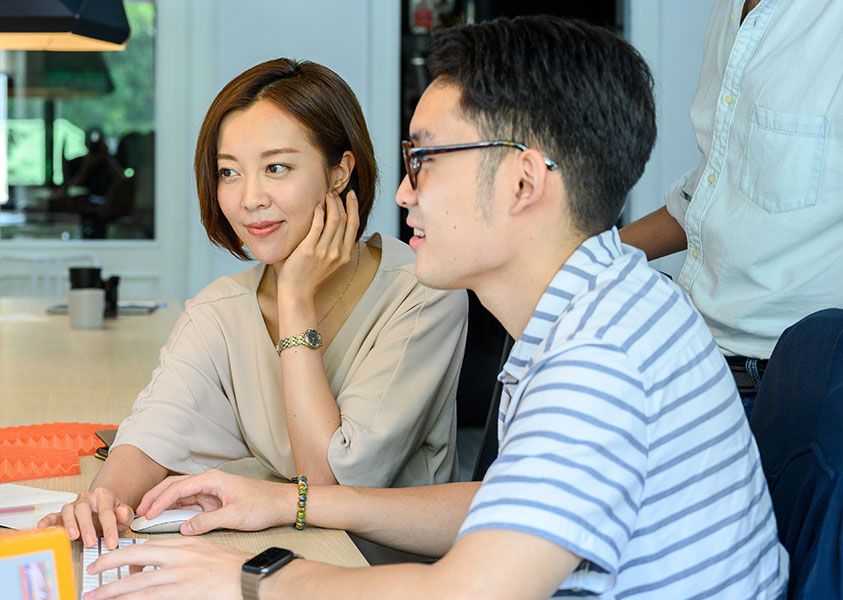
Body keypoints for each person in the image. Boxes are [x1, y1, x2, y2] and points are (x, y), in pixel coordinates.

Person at [83, 17, 786, 600]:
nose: (403, 193)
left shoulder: (599, 359)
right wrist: (290, 503)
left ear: (521, 179)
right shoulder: (601, 309)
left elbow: (469, 591)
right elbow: (502, 508)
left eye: (425, 159)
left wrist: (251, 576)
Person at [39, 59, 468, 550]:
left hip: (380, 570)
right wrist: (103, 499)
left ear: (339, 173)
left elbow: (331, 486)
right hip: (279, 551)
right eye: (229, 173)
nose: (249, 199)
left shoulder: (422, 289)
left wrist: (295, 299)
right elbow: (153, 429)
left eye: (276, 168)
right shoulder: (220, 309)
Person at [620, 0, 843, 406]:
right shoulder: (729, 9)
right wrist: (592, 256)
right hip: (708, 365)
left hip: (806, 393)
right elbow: (716, 191)